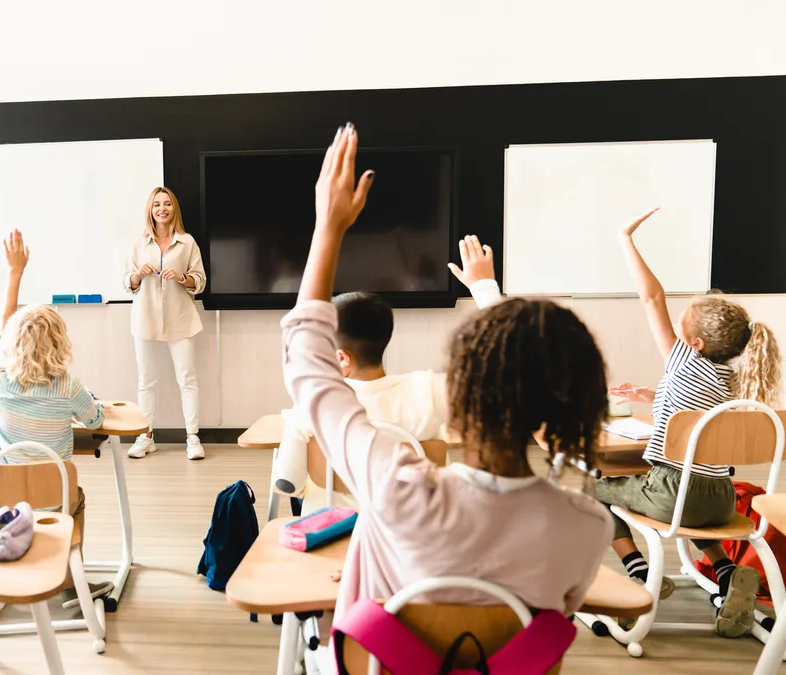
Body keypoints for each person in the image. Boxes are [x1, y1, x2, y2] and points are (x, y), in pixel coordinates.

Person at [284, 125, 613, 649]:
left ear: (464, 389)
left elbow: (308, 365)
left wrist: (328, 227)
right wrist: (487, 291)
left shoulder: (395, 485)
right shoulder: (586, 527)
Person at [599, 208, 780, 638]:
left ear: (695, 344)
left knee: (589, 490)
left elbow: (652, 298)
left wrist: (625, 239)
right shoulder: (734, 379)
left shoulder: (684, 359)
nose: (675, 330)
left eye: (682, 329)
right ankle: (725, 574)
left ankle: (640, 572)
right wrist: (651, 395)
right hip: (720, 498)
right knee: (692, 511)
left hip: (670, 492)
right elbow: (695, 413)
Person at [274, 235, 504, 514]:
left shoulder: (313, 406)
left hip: (333, 539)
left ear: (341, 358)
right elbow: (498, 374)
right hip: (414, 540)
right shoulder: (426, 393)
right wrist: (485, 289)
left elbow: (287, 484)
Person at [0, 230, 112, 600]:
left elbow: (3, 321)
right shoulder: (67, 384)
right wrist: (90, 403)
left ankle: (13, 565)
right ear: (59, 340)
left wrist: (15, 273)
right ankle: (71, 582)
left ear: (13, 340)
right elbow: (94, 421)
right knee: (79, 497)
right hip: (53, 498)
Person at [124, 186, 208, 460]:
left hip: (180, 319)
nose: (162, 209)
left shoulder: (187, 242)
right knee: (146, 381)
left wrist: (183, 277)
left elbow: (201, 282)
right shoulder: (138, 243)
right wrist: (137, 274)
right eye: (157, 204)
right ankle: (145, 436)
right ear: (151, 210)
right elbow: (128, 283)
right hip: (145, 318)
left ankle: (192, 438)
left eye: (167, 204)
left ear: (174, 209)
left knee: (187, 378)